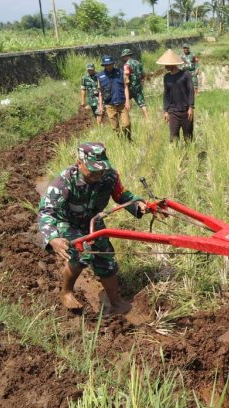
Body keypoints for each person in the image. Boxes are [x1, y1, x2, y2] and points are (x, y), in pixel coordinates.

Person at [38, 142, 149, 314]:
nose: (98, 174)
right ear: (79, 163)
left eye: (101, 169)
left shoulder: (109, 176)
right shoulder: (64, 181)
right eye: (93, 170)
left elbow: (122, 195)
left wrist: (139, 203)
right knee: (83, 253)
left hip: (92, 220)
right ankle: (66, 292)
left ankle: (115, 300)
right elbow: (47, 210)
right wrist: (52, 237)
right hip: (68, 222)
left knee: (106, 257)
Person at [157, 49, 195, 142]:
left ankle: (189, 154)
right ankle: (176, 155)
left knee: (188, 137)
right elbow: (166, 94)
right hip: (173, 111)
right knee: (173, 138)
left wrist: (191, 107)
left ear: (173, 64)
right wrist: (165, 111)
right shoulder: (166, 77)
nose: (165, 66)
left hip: (186, 111)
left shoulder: (186, 75)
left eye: (167, 64)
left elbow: (191, 91)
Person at [97, 55, 131, 140]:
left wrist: (127, 101)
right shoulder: (100, 76)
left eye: (110, 64)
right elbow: (100, 91)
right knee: (115, 127)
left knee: (126, 124)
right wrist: (100, 105)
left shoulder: (120, 72)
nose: (108, 66)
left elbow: (125, 87)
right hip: (110, 105)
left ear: (113, 64)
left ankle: (128, 139)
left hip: (122, 103)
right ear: (104, 65)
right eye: (106, 65)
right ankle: (120, 141)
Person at [121, 48, 149, 120]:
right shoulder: (138, 63)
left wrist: (125, 85)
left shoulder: (127, 65)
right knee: (142, 104)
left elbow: (126, 76)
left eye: (123, 56)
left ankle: (126, 119)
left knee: (125, 103)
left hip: (130, 88)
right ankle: (148, 119)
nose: (123, 58)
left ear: (126, 56)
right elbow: (143, 75)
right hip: (138, 86)